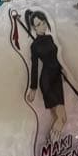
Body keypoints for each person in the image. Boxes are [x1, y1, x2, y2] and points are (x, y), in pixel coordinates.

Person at [23, 11, 67, 140]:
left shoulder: (50, 38)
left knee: (57, 117)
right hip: (47, 81)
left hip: (57, 78)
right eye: (38, 24)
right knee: (62, 118)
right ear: (33, 28)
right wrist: (33, 88)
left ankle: (52, 144)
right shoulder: (34, 46)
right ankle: (50, 145)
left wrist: (62, 69)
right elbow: (34, 67)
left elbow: (55, 58)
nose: (42, 26)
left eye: (43, 22)